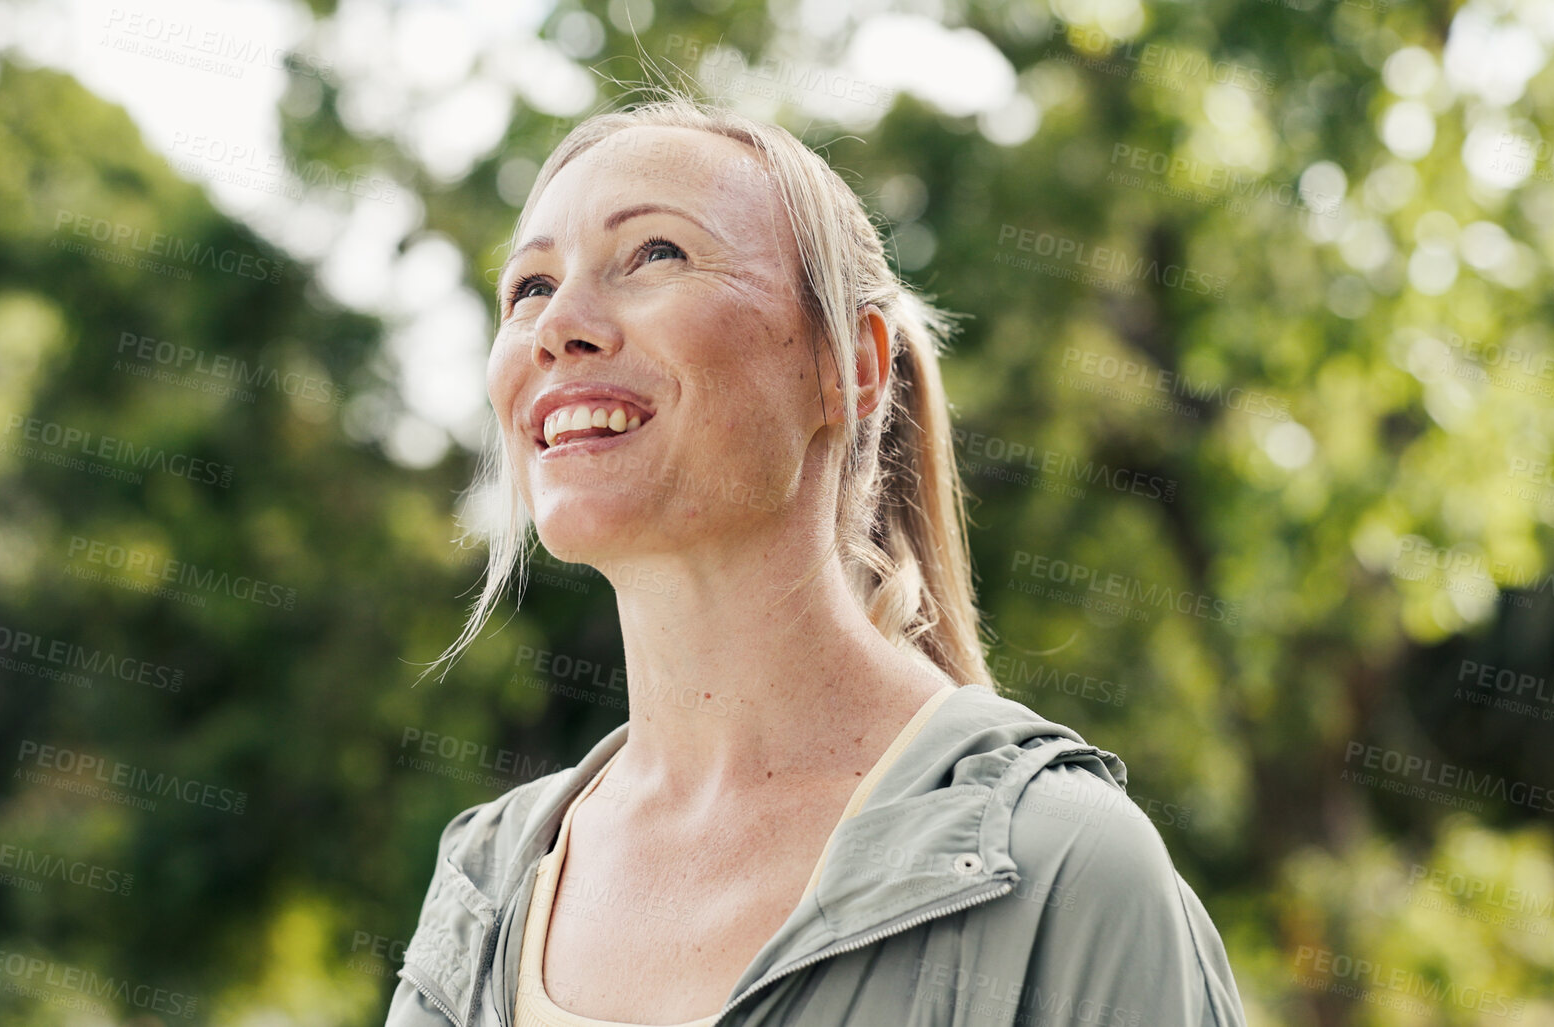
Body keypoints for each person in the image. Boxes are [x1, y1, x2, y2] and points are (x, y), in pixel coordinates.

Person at [387, 95, 1246, 1027]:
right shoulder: (481, 895)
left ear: (848, 366)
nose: (560, 325)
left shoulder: (1059, 868)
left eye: (656, 254)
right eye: (529, 287)